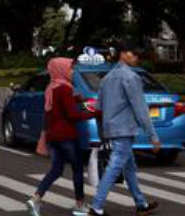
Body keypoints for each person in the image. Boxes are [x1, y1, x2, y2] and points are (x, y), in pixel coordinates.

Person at [89, 48, 160, 216]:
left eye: (136, 54)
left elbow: (98, 107)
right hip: (125, 128)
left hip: (112, 128)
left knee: (129, 167)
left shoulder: (106, 79)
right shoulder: (132, 77)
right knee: (115, 166)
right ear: (122, 54)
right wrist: (153, 135)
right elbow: (140, 108)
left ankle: (141, 204)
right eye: (132, 53)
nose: (136, 57)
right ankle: (97, 206)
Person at [27, 58, 99, 216]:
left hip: (53, 137)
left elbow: (56, 108)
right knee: (77, 168)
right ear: (61, 70)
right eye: (70, 69)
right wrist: (96, 113)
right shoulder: (65, 89)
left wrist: (75, 100)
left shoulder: (51, 88)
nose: (72, 72)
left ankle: (36, 197)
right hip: (66, 135)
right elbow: (72, 114)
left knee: (56, 169)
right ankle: (79, 204)